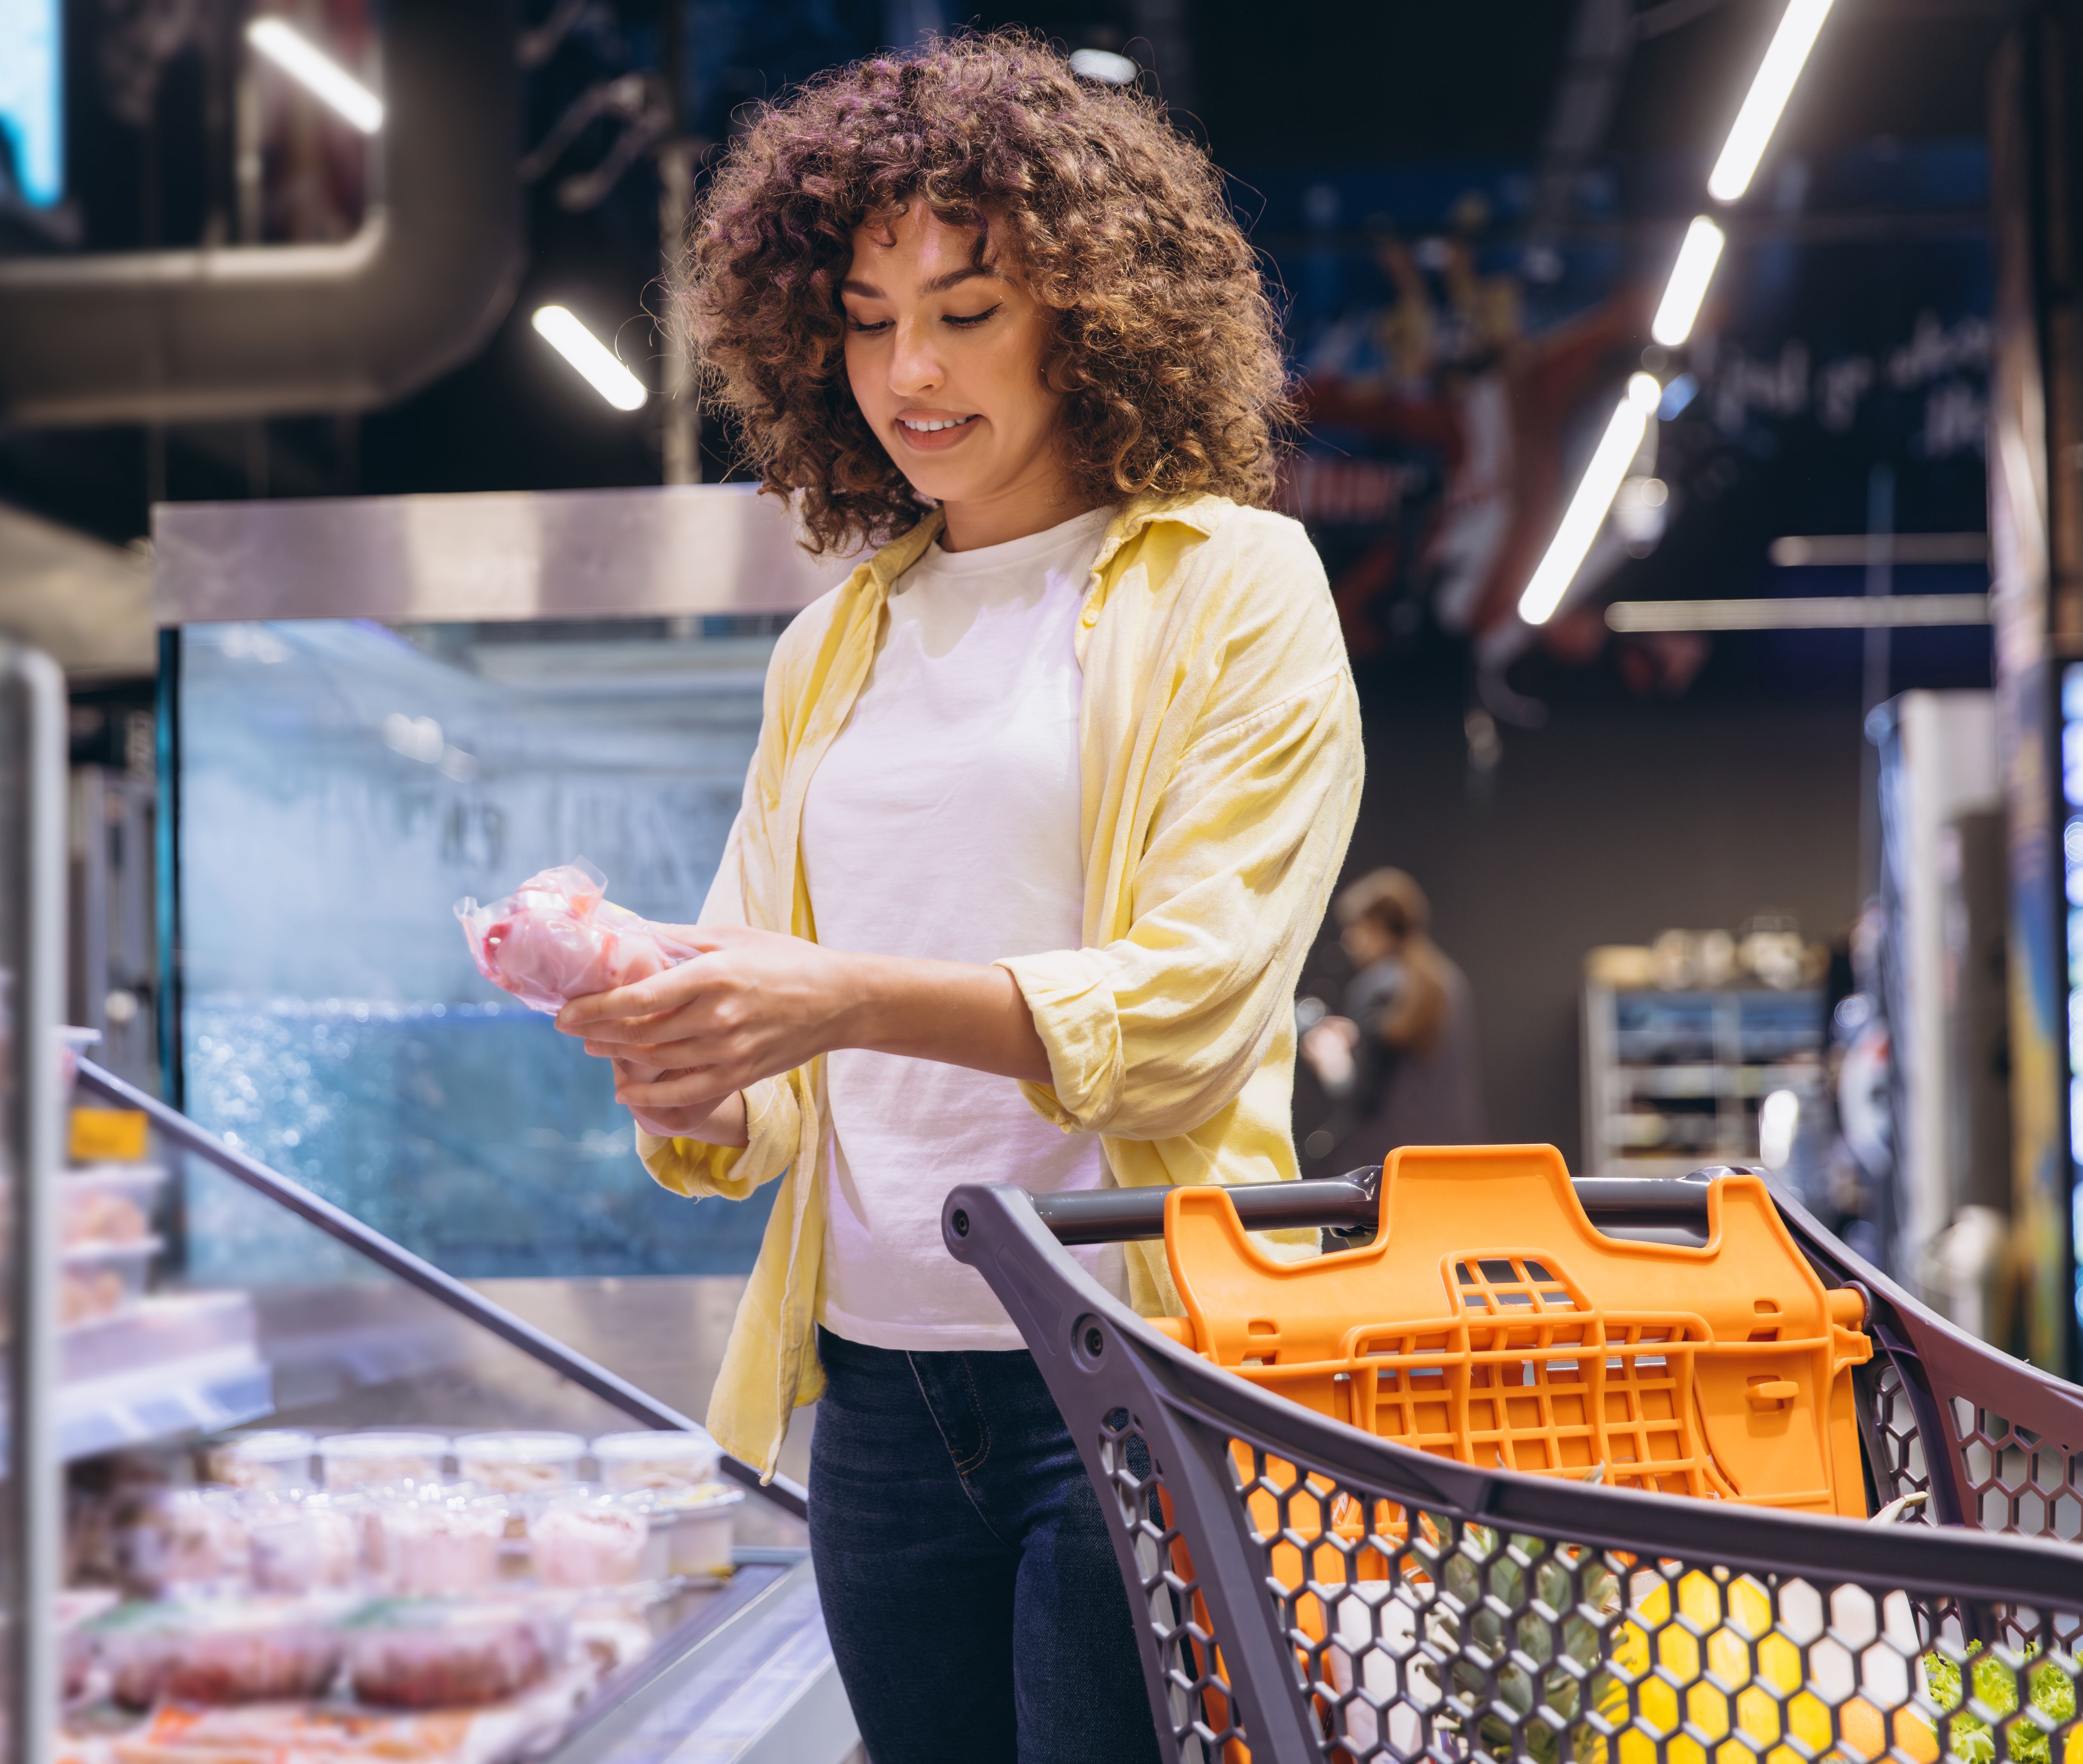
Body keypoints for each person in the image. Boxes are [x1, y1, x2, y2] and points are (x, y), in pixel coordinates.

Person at [555, 32, 1362, 1764]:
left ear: (1090, 312)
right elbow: (773, 1070)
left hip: (1134, 1371)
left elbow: (1193, 1007)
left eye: (966, 310)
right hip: (879, 1393)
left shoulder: (1234, 587)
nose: (906, 370)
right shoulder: (827, 645)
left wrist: (834, 993)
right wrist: (684, 1054)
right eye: (863, 318)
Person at [1300, 868, 1484, 1172]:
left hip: (1393, 1166)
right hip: (1453, 1159)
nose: (1347, 939)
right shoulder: (1449, 980)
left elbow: (1362, 1097)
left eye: (1354, 928)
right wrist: (1360, 1035)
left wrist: (1331, 1061)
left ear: (1377, 928)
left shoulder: (1375, 986)